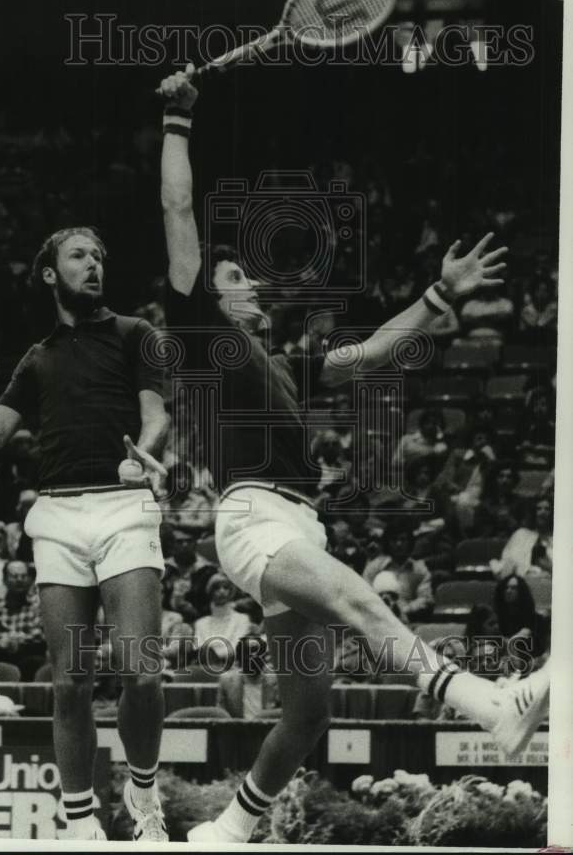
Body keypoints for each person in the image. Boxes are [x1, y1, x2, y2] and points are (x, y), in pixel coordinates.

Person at [158, 65, 548, 842]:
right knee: (359, 602)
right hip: (252, 521)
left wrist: (440, 294)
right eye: (235, 277)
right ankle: (486, 703)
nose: (251, 285)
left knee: (308, 715)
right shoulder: (207, 342)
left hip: (298, 524)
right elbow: (175, 207)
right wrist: (177, 122)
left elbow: (370, 353)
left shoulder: (285, 365)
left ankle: (225, 832)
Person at [0, 226, 171, 842]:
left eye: (99, 255)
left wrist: (144, 451)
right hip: (58, 517)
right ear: (50, 273)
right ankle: (80, 821)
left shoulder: (135, 334)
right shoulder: (37, 358)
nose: (94, 264)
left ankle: (143, 790)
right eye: (79, 255)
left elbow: (156, 416)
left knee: (143, 673)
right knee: (70, 682)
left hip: (125, 507)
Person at [0, 560, 47, 680]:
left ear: (29, 580)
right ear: (5, 580)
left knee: (36, 659)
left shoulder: (38, 607)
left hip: (26, 652)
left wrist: (16, 639)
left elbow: (40, 634)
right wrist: (1, 642)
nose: (19, 580)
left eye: (23, 576)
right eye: (14, 576)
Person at [361, 523, 435, 621]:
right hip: (376, 619)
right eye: (394, 540)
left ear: (410, 542)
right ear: (387, 542)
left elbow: (425, 598)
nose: (399, 544)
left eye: (403, 540)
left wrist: (403, 610)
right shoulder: (374, 567)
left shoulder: (419, 569)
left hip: (407, 619)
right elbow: (364, 594)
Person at [193, 573, 253, 670]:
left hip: (233, 666)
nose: (222, 591)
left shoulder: (242, 619)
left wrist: (214, 653)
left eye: (226, 588)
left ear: (230, 592)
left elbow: (236, 647)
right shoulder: (201, 623)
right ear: (211, 592)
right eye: (217, 588)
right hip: (206, 668)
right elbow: (199, 649)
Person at [216, 636, 280, 719]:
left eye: (258, 655)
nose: (253, 660)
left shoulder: (276, 682)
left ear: (264, 658)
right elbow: (221, 715)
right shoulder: (226, 682)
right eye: (248, 656)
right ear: (240, 659)